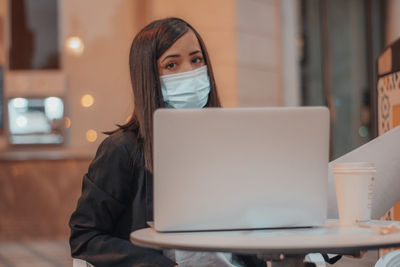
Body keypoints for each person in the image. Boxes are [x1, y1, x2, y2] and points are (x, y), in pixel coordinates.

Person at [69, 17, 267, 267]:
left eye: (196, 60)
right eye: (171, 65)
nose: (190, 72)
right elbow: (85, 237)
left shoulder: (226, 143)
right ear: (149, 76)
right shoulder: (122, 150)